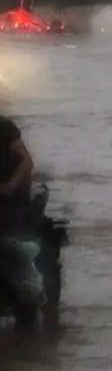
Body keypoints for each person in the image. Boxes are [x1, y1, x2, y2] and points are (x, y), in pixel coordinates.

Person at [0, 114, 43, 305]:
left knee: (9, 240)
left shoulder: (3, 126)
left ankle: (29, 281)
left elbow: (27, 162)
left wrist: (9, 186)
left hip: (10, 195)